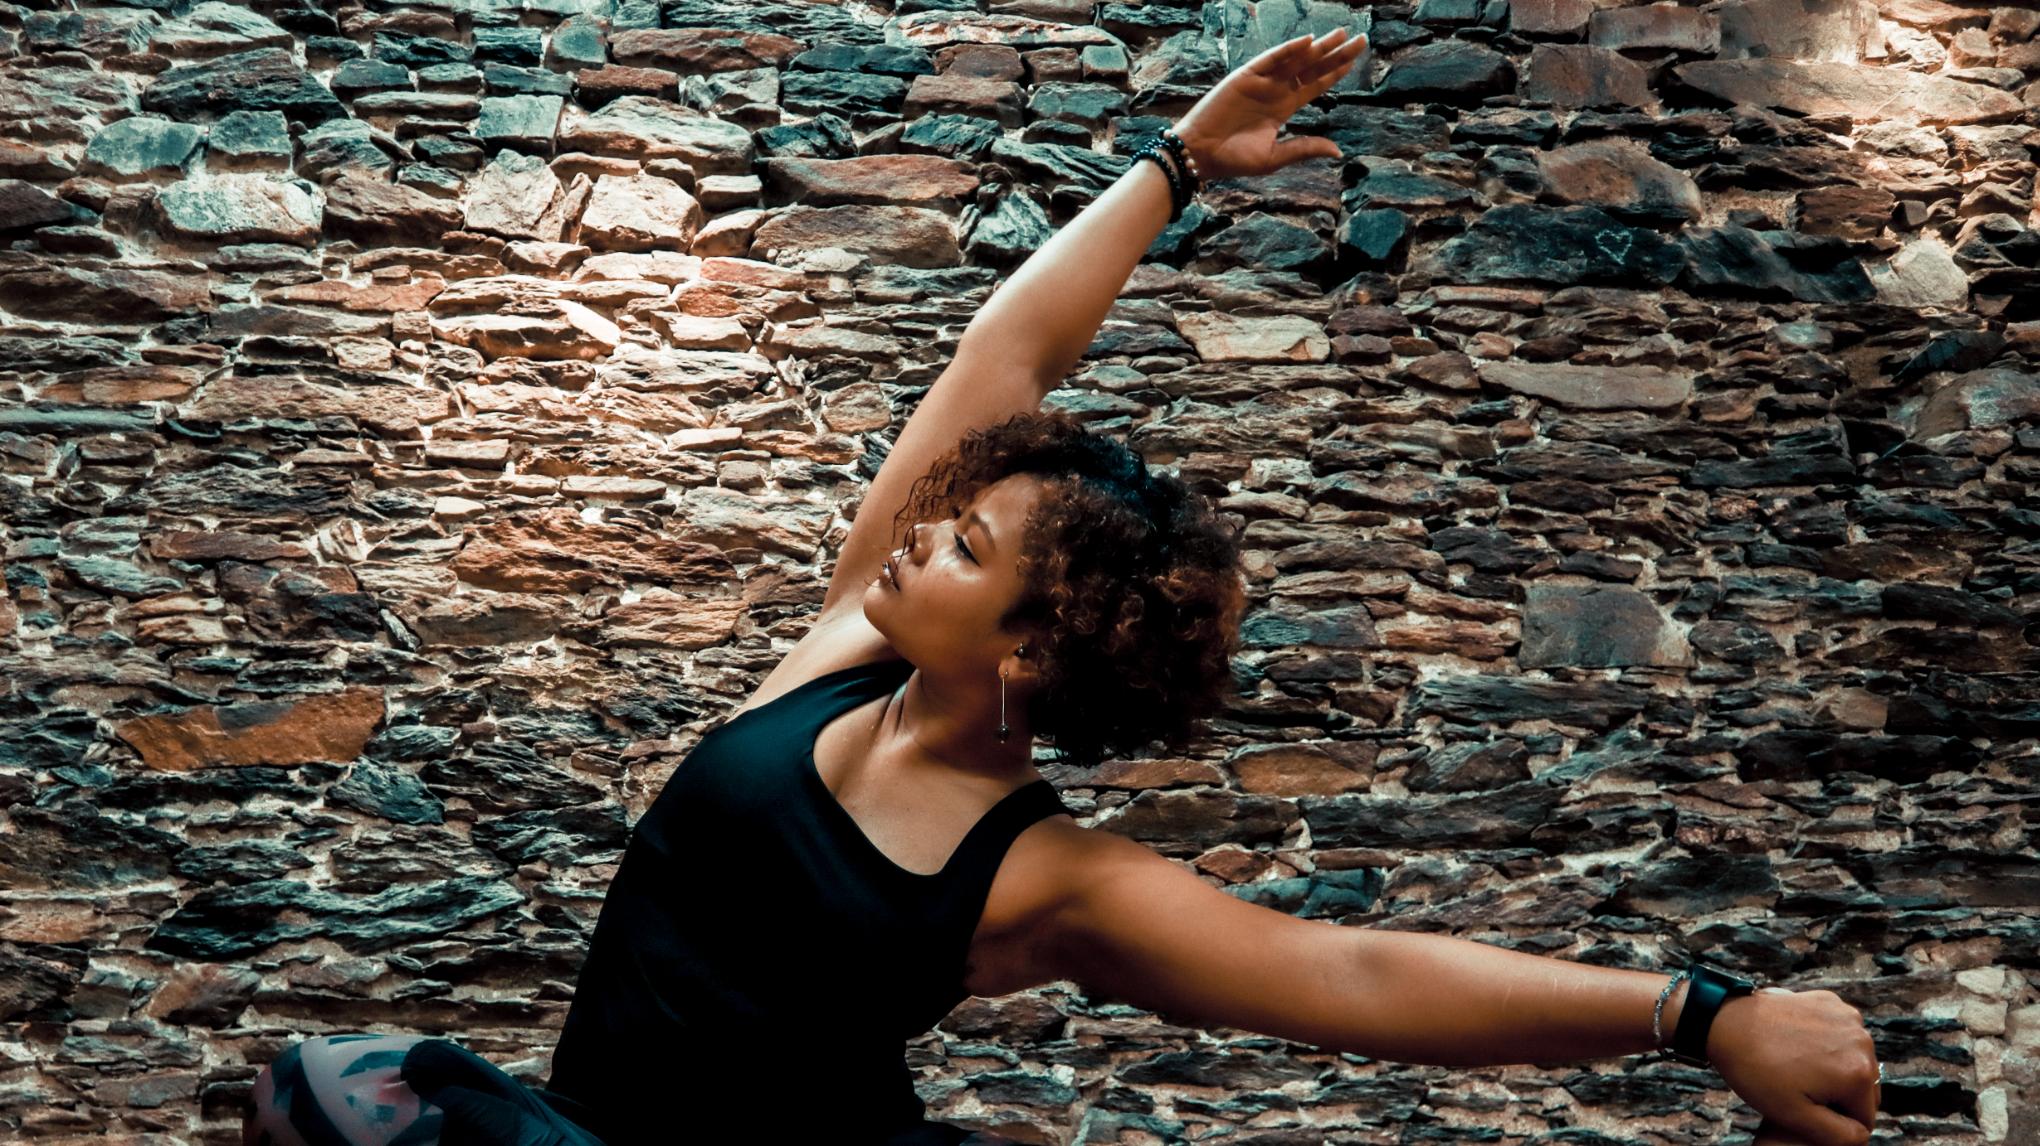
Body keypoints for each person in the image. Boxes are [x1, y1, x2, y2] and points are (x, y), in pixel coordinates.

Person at [244, 26, 1884, 1146]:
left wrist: (1699, 1013)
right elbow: (1007, 351)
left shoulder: (1043, 877)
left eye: (967, 545)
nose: (920, 533)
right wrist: (1178, 163)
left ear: (1035, 645)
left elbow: (1351, 977)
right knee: (329, 1093)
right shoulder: (850, 641)